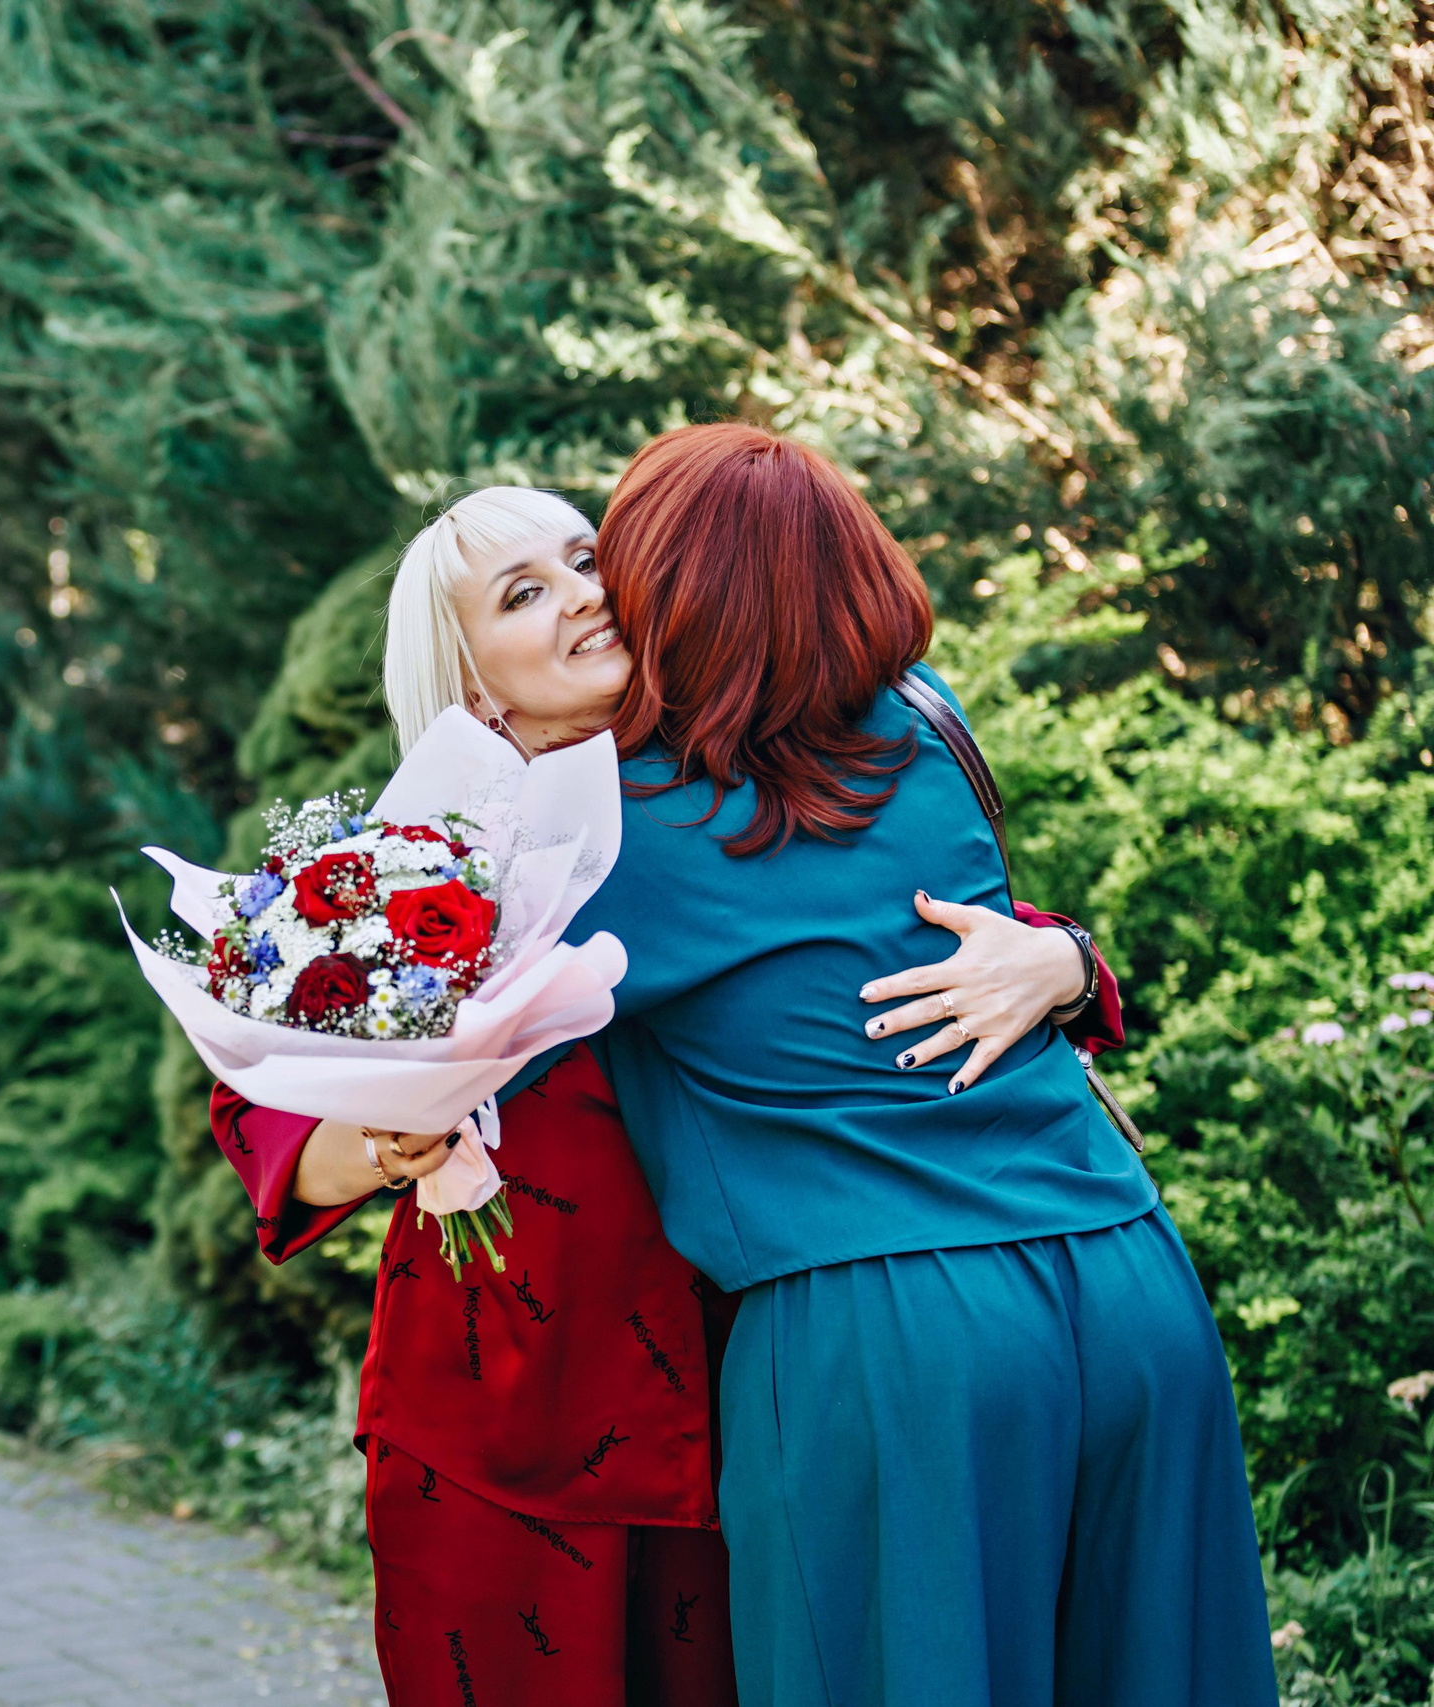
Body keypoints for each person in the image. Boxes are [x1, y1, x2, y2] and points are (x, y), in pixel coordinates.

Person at [374, 431, 1273, 1705]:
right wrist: (1068, 956)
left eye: (599, 561)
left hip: (887, 1332)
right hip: (1129, 1276)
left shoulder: (599, 832)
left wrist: (393, 1122)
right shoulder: (929, 717)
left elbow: (376, 1034)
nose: (591, 596)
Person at [211, 486, 1126, 1707]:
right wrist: (388, 1137)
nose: (585, 592)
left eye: (587, 558)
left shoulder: (739, 767)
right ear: (473, 681)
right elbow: (264, 1114)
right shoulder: (414, 863)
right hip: (505, 1426)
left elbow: (915, 927)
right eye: (523, 593)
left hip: (752, 1399)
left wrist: (1063, 958)